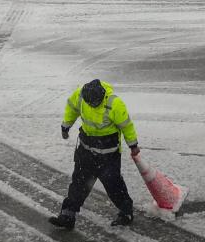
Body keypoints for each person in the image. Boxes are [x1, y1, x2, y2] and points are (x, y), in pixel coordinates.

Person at [49, 79, 139, 230]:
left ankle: (126, 212)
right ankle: (67, 215)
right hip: (86, 150)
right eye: (89, 102)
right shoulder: (80, 95)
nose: (91, 105)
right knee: (79, 183)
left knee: (114, 185)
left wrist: (133, 145)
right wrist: (65, 126)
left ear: (101, 97)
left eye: (94, 103)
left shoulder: (114, 103)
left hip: (108, 154)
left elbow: (126, 126)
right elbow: (72, 108)